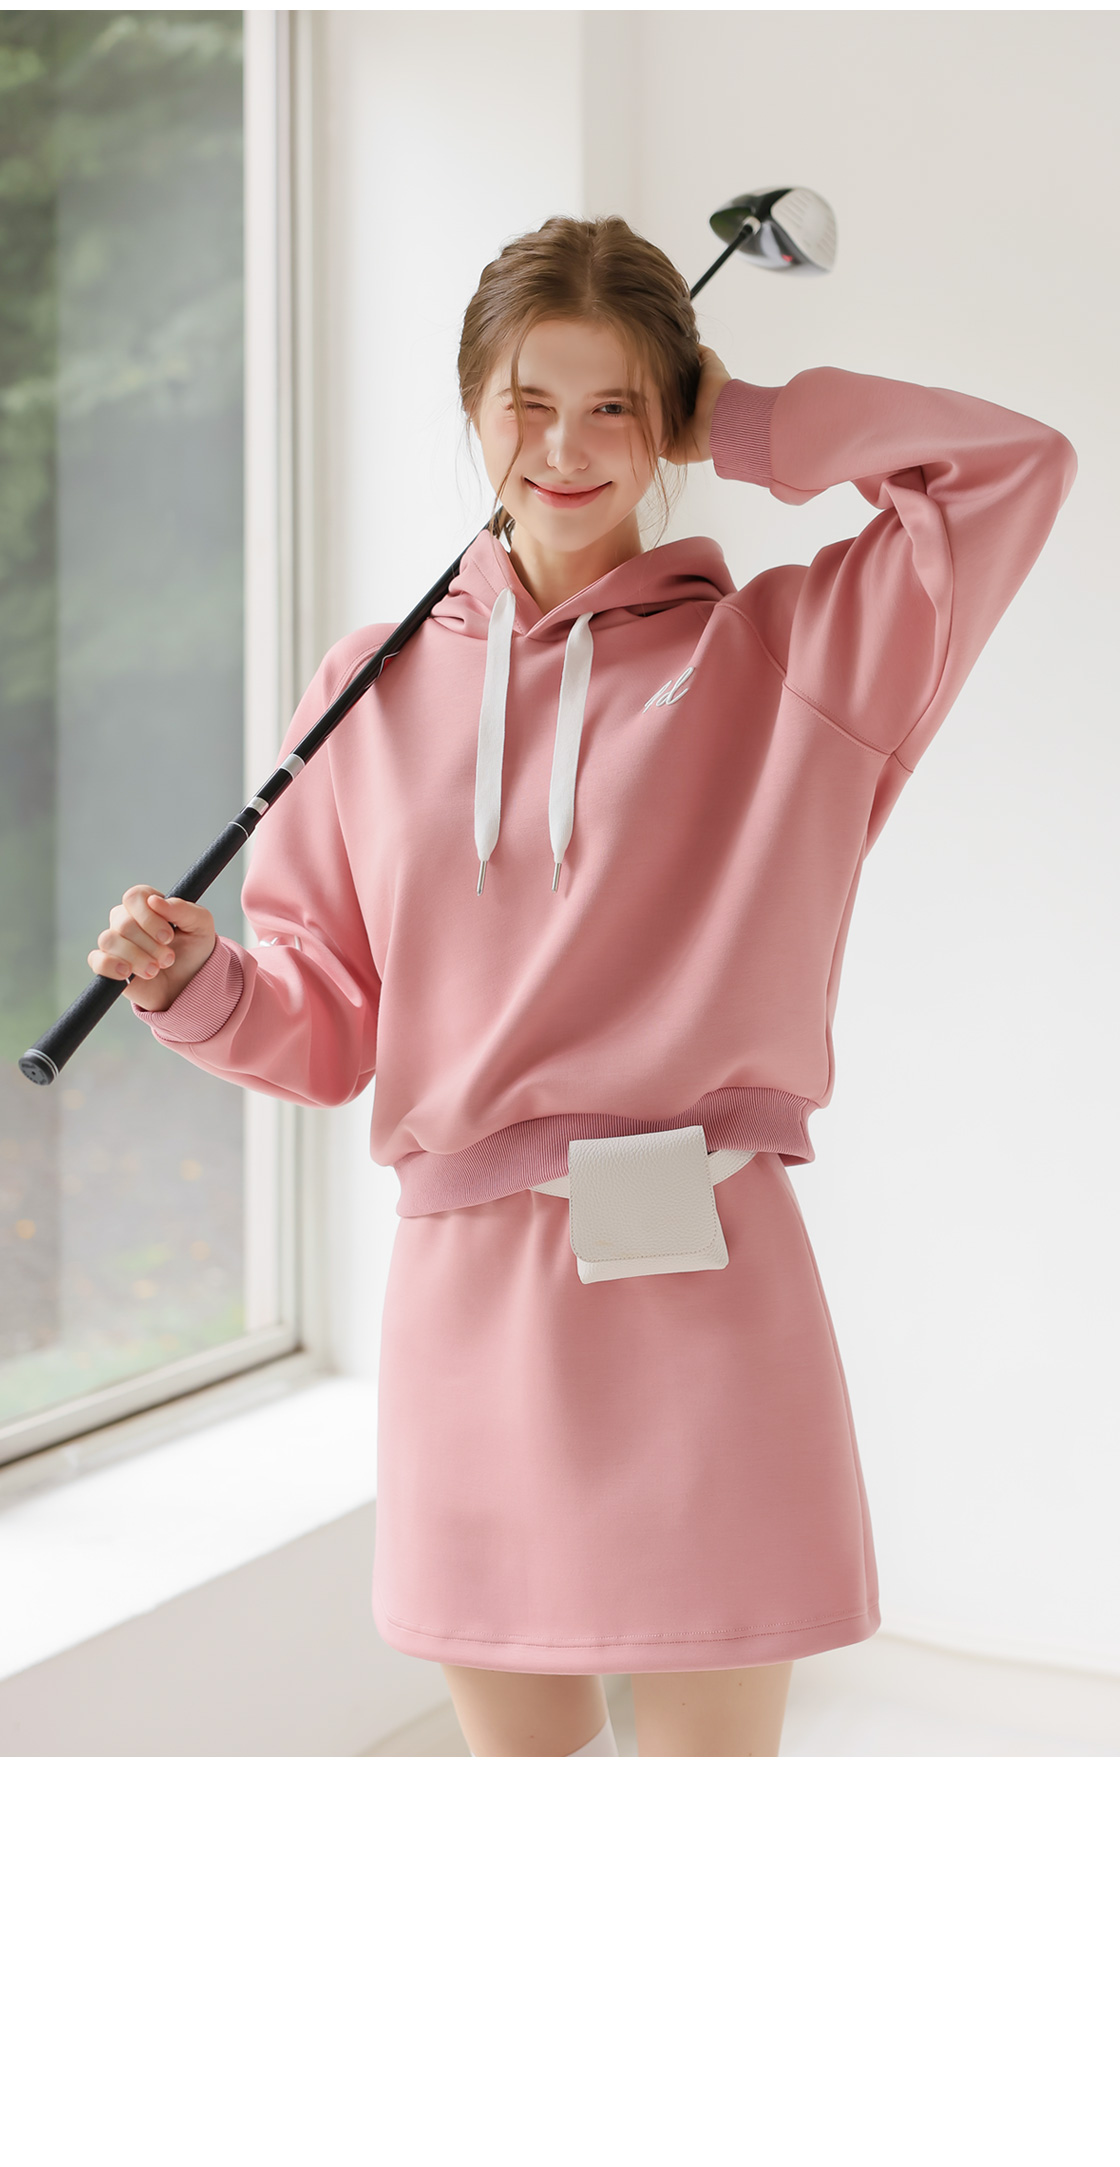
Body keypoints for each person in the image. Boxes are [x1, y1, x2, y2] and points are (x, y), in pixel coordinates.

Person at [89, 216, 1077, 1757]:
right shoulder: (367, 685)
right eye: (529, 403)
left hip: (707, 1287)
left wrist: (742, 423)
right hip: (472, 1307)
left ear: (666, 413)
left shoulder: (796, 654)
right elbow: (329, 1025)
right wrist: (201, 980)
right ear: (471, 408)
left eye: (616, 405)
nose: (567, 448)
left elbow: (1010, 469)